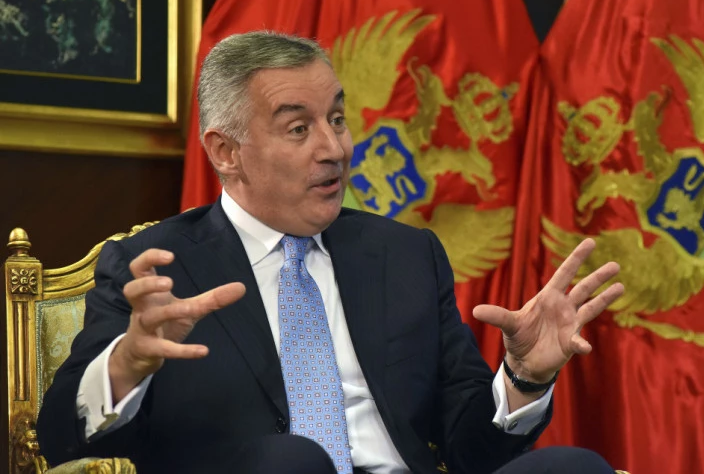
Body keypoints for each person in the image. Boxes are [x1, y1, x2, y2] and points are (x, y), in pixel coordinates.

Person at [37, 31, 624, 474]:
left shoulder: (406, 255)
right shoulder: (156, 266)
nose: (335, 148)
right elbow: (59, 435)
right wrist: (126, 365)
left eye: (337, 119)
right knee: (291, 461)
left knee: (574, 467)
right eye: (299, 129)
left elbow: (471, 452)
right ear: (225, 152)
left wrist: (524, 377)